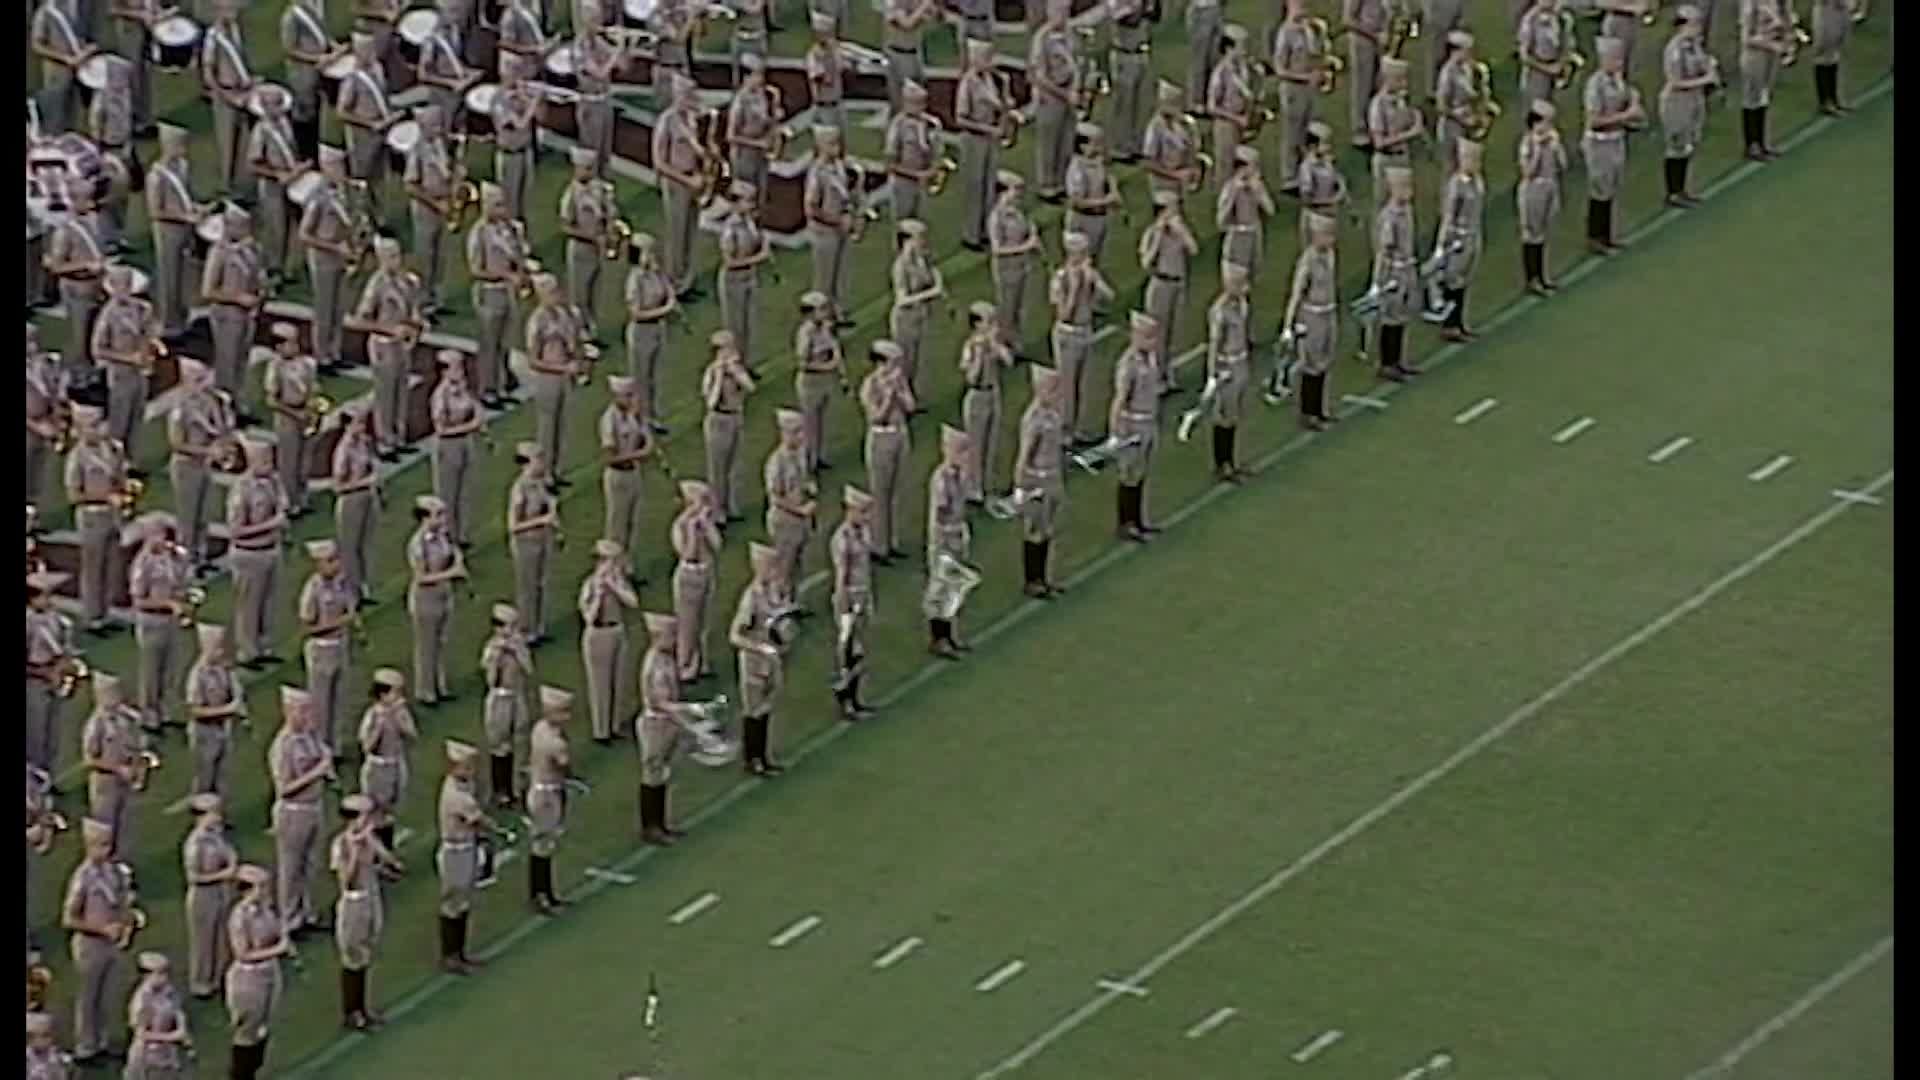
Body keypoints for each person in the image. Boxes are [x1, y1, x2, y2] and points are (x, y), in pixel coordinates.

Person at [63, 818, 131, 1066]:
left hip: (111, 942)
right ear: (89, 846)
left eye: (108, 845)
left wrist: (125, 923)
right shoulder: (82, 878)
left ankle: (102, 1040)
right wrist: (102, 929)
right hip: (90, 944)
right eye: (101, 845)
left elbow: (120, 899)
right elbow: (69, 918)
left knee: (107, 994)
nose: (106, 850)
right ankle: (85, 1046)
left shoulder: (112, 871)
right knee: (88, 997)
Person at [351, 237, 425, 461]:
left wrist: (416, 325)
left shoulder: (407, 281)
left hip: (403, 344)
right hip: (383, 345)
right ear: (381, 259)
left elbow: (413, 309)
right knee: (385, 394)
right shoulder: (376, 285)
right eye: (391, 256)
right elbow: (361, 320)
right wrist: (390, 330)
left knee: (401, 391)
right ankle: (384, 441)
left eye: (398, 255)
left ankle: (398, 437)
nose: (397, 260)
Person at [331, 793, 400, 1029]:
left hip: (371, 895)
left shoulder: (368, 837)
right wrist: (357, 854)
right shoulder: (341, 844)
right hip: (354, 901)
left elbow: (390, 861)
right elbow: (347, 882)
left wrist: (380, 853)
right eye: (365, 814)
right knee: (354, 957)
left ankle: (362, 1008)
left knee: (367, 951)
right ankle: (352, 1012)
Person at [269, 685, 332, 936]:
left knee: (311, 863)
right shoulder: (283, 747)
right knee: (291, 867)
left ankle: (306, 912)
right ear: (288, 712)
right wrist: (317, 772)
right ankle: (289, 918)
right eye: (302, 711)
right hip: (293, 811)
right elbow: (284, 787)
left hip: (314, 806)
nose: (308, 716)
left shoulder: (309, 736)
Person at [65, 404, 130, 634]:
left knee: (111, 566)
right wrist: (105, 497)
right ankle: (91, 617)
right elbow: (74, 495)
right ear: (81, 430)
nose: (98, 429)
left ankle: (105, 613)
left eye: (100, 423)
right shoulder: (77, 458)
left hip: (113, 515)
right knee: (93, 569)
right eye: (92, 426)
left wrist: (124, 492)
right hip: (92, 516)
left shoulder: (113, 449)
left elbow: (120, 476)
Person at [224, 863, 290, 1079]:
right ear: (246, 889)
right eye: (260, 887)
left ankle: (254, 1070)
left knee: (264, 1026)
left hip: (269, 972)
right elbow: (242, 953)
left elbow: (277, 933)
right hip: (248, 977)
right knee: (247, 1030)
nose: (265, 891)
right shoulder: (239, 916)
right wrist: (277, 949)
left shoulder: (267, 910)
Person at [227, 432, 287, 667]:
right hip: (249, 553)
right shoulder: (241, 491)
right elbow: (235, 530)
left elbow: (282, 504)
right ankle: (248, 650)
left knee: (269, 601)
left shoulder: (273, 482)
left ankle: (265, 645)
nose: (270, 465)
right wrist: (271, 524)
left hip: (271, 548)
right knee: (250, 603)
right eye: (265, 460)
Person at [1051, 232, 1116, 447]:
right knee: (1067, 385)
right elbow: (1063, 314)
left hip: (1085, 331)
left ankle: (1079, 428)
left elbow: (1110, 297)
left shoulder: (1089, 274)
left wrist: (1094, 280)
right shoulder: (1060, 278)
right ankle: (1064, 432)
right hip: (1067, 334)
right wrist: (1076, 287)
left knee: (1084, 383)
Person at [730, 542, 789, 777]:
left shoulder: (773, 592)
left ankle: (763, 757)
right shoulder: (750, 598)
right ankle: (751, 759)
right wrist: (758, 647)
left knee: (766, 708)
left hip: (769, 659)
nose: (774, 570)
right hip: (754, 660)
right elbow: (735, 635)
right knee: (753, 710)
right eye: (770, 566)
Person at [127, 512, 189, 732]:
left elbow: (181, 582)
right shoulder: (142, 564)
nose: (159, 539)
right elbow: (138, 601)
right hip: (151, 622)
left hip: (170, 620)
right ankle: (149, 715)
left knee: (170, 667)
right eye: (155, 535)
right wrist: (167, 604)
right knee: (151, 671)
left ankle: (167, 710)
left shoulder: (172, 559)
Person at [435, 740, 492, 974]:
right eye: (467, 767)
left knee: (463, 900)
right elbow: (477, 819)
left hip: (465, 847)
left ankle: (459, 952)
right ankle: (450, 955)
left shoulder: (460, 786)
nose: (471, 771)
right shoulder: (457, 796)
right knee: (454, 902)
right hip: (455, 851)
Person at [1280, 213, 1342, 427]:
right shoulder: (1308, 261)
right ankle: (1308, 412)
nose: (1331, 239)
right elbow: (1296, 294)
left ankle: (1320, 409)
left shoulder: (1330, 255)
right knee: (1312, 364)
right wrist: (1288, 326)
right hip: (1312, 316)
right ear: (1316, 236)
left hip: (1329, 311)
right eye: (1327, 234)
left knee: (1325, 360)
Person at [466, 186, 524, 408]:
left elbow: (516, 255)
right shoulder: (478, 233)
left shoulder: (507, 229)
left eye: (503, 204)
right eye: (497, 204)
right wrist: (505, 274)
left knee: (504, 342)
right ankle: (487, 390)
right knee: (489, 344)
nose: (502, 209)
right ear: (486, 206)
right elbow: (476, 270)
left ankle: (501, 385)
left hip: (507, 291)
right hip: (488, 292)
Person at [201, 206, 267, 403]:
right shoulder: (219, 253)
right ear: (228, 226)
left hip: (248, 314)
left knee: (242, 360)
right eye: (240, 225)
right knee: (227, 363)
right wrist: (237, 297)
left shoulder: (251, 249)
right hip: (227, 315)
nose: (246, 229)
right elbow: (208, 291)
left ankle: (238, 402)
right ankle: (224, 405)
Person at [1582, 37, 1640, 255]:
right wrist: (1626, 115)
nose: (1619, 63)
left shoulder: (1619, 82)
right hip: (1599, 143)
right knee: (1600, 189)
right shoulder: (1595, 85)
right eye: (1615, 59)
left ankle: (1607, 235)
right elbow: (1594, 121)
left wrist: (1634, 108)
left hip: (1617, 139)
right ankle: (1594, 236)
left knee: (1612, 187)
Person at [300, 146, 357, 374]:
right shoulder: (318, 197)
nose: (342, 170)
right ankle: (321, 355)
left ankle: (335, 351)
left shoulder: (342, 191)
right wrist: (334, 247)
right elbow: (305, 234)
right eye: (337, 166)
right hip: (324, 257)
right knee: (324, 308)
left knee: (338, 306)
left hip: (340, 255)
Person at [579, 538, 639, 744]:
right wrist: (599, 594)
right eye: (611, 561)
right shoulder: (589, 585)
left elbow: (633, 602)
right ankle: (601, 730)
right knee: (600, 683)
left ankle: (615, 724)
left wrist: (614, 587)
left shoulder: (618, 581)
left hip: (617, 630)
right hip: (598, 634)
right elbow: (589, 618)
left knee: (618, 680)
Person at [94, 265, 158, 461]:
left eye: (128, 285)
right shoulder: (108, 315)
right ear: (112, 287)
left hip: (140, 373)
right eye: (121, 285)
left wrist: (149, 351)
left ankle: (130, 462)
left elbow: (147, 334)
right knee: (119, 424)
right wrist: (129, 358)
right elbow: (98, 349)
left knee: (137, 419)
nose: (125, 289)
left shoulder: (141, 309)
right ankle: (113, 464)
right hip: (121, 375)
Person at [1110, 311, 1164, 542]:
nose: (1153, 341)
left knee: (1141, 473)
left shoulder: (1150, 358)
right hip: (1133, 424)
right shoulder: (1128, 364)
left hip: (1148, 421)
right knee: (1129, 475)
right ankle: (1126, 523)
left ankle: (1139, 520)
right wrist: (1116, 432)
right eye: (1149, 337)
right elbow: (1120, 400)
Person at [858, 343, 914, 563]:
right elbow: (876, 417)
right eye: (892, 362)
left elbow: (910, 406)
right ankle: (877, 545)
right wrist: (889, 396)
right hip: (881, 438)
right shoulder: (869, 385)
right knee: (880, 494)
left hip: (899, 434)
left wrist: (900, 392)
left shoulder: (899, 381)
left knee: (897, 492)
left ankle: (892, 541)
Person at [1015, 365, 1068, 598]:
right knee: (1034, 530)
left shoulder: (1053, 414)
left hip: (1052, 476)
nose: (1057, 393)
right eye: (1052, 389)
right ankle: (1032, 580)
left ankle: (1043, 578)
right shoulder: (1033, 419)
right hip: (1037, 480)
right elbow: (1025, 455)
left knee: (1047, 529)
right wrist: (1021, 487)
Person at [45, 187, 108, 383]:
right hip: (77, 289)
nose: (91, 204)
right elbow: (56, 266)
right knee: (79, 336)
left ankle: (89, 371)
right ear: (74, 201)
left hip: (95, 286)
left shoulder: (92, 222)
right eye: (86, 200)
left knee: (92, 332)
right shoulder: (65, 231)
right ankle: (77, 378)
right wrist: (85, 264)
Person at [407, 495, 465, 704]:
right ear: (424, 518)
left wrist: (457, 559)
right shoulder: (417, 544)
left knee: (441, 642)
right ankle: (425, 691)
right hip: (425, 599)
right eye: (438, 515)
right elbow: (421, 578)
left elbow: (451, 553)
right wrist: (452, 573)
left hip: (443, 594)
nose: (443, 519)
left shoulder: (442, 536)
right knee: (426, 645)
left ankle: (440, 685)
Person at [144, 125, 198, 340]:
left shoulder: (183, 166)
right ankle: (168, 322)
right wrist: (186, 217)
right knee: (169, 275)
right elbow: (156, 211)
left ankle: (181, 315)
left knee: (183, 273)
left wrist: (196, 208)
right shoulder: (156, 176)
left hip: (183, 226)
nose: (184, 148)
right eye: (180, 145)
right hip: (167, 230)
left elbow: (186, 195)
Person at [1139, 191, 1197, 395]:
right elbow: (1146, 263)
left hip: (1178, 284)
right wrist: (1158, 237)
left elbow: (1193, 249)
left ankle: (1168, 375)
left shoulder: (1180, 230)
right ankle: (1155, 379)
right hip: (1160, 285)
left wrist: (1181, 232)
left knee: (1174, 333)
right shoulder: (1151, 234)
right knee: (1158, 336)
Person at [526, 273, 582, 478]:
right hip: (548, 378)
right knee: (547, 428)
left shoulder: (564, 315)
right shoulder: (537, 321)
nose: (556, 294)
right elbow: (533, 360)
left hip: (566, 375)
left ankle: (557, 469)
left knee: (563, 424)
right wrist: (562, 369)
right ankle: (544, 471)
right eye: (550, 291)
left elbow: (573, 343)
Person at [1660, 6, 1717, 209]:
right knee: (1677, 145)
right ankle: (1673, 191)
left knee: (1689, 143)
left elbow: (1702, 66)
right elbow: (1675, 81)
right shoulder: (1674, 50)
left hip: (1694, 99)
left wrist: (1709, 69)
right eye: (1694, 23)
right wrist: (1705, 79)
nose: (1698, 28)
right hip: (1677, 102)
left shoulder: (1695, 46)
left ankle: (1683, 189)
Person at [180, 793, 236, 999]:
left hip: (220, 891)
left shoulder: (216, 835)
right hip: (203, 895)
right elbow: (194, 876)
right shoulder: (195, 843)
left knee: (219, 935)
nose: (219, 816)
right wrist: (224, 874)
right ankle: (201, 982)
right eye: (214, 813)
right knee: (204, 940)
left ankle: (216, 977)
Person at [654, 75, 705, 299]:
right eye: (687, 95)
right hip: (677, 182)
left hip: (695, 179)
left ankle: (687, 280)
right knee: (677, 233)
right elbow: (659, 162)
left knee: (691, 230)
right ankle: (674, 283)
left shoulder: (692, 119)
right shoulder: (667, 121)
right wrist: (686, 180)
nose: (691, 99)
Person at [924, 425, 974, 656]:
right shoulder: (942, 479)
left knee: (953, 589)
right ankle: (938, 638)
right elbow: (942, 512)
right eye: (961, 451)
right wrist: (949, 537)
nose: (965, 456)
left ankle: (950, 635)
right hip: (944, 538)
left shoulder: (958, 475)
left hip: (956, 534)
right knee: (941, 588)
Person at [405, 104, 459, 314]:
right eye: (434, 125)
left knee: (441, 255)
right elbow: (410, 185)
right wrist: (436, 204)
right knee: (425, 256)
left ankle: (437, 299)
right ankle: (421, 302)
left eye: (439, 123)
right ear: (423, 126)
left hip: (443, 205)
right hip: (426, 209)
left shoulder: (440, 143)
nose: (438, 128)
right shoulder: (417, 150)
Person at [81, 671, 141, 859]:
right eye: (113, 692)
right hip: (105, 783)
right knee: (105, 828)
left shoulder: (123, 717)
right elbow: (90, 760)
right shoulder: (95, 724)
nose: (118, 696)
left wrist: (136, 766)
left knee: (125, 823)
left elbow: (132, 744)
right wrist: (117, 769)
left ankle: (120, 863)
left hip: (125, 778)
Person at [828, 490, 876, 719]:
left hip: (863, 594)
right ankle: (845, 701)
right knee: (848, 653)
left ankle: (856, 699)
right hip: (849, 597)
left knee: (860, 651)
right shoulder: (842, 538)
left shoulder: (862, 532)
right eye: (862, 511)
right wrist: (843, 604)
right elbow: (841, 574)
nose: (866, 516)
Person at [261, 322, 318, 516]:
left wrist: (312, 409)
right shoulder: (275, 367)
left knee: (305, 461)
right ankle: (289, 502)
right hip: (287, 417)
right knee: (289, 463)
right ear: (278, 347)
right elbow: (271, 400)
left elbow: (312, 388)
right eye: (290, 343)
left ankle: (302, 497)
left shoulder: (306, 363)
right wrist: (295, 414)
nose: (295, 346)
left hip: (305, 413)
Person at [764, 408, 819, 610]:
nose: (801, 436)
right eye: (796, 431)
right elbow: (776, 497)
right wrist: (801, 510)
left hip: (800, 520)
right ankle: (779, 608)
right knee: (783, 568)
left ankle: (794, 602)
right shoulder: (776, 462)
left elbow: (804, 478)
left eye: (801, 431)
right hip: (784, 521)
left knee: (799, 564)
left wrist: (810, 488)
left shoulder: (800, 454)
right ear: (784, 433)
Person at [1370, 165, 1421, 381]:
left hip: (1406, 266)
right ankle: (1386, 362)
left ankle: (1399, 359)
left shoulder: (1406, 211)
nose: (1409, 190)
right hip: (1394, 271)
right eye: (1404, 186)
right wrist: (1378, 281)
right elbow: (1384, 251)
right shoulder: (1389, 217)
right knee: (1390, 315)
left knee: (1402, 314)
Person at [1433, 138, 1487, 342]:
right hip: (1459, 238)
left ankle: (1459, 322)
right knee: (1453, 280)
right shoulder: (1456, 185)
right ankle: (1449, 324)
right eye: (1472, 159)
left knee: (1464, 280)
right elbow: (1449, 216)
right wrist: (1443, 243)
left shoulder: (1477, 181)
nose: (1476, 163)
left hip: (1473, 234)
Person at [954, 40, 1006, 250]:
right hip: (974, 139)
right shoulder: (968, 84)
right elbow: (961, 118)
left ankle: (986, 230)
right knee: (975, 186)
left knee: (989, 185)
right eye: (985, 58)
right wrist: (988, 129)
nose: (989, 62)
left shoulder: (992, 80)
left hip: (990, 137)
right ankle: (971, 235)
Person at [525, 686, 575, 904]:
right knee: (544, 845)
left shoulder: (539, 729)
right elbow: (564, 765)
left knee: (543, 843)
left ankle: (542, 892)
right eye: (562, 712)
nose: (567, 717)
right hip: (547, 794)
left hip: (538, 788)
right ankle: (541, 894)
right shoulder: (555, 742)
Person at [669, 480, 722, 684]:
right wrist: (692, 529)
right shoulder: (679, 526)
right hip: (688, 576)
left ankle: (701, 663)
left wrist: (707, 526)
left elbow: (717, 545)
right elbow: (688, 554)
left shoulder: (704, 522)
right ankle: (685, 667)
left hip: (706, 572)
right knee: (687, 623)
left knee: (705, 620)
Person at [1203, 267, 1253, 482]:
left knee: (1235, 414)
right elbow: (1215, 343)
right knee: (1224, 414)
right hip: (1227, 366)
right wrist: (1213, 373)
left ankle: (1231, 461)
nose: (1245, 287)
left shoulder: (1241, 304)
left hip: (1240, 361)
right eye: (1240, 283)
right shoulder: (1220, 311)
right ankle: (1221, 463)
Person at [481, 605, 534, 807]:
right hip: (500, 698)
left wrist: (518, 652)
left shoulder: (519, 644)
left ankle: (517, 787)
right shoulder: (491, 649)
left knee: (520, 740)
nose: (513, 631)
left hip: (516, 696)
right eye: (509, 627)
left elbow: (529, 669)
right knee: (499, 744)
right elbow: (491, 680)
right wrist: (497, 657)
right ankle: (500, 790)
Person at [623, 235, 677, 432]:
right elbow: (636, 312)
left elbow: (668, 292)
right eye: (649, 251)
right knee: (641, 379)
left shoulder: (655, 274)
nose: (653, 255)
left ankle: (651, 415)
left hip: (657, 329)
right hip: (642, 332)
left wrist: (662, 276)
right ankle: (638, 420)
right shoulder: (634, 280)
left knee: (654, 377)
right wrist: (665, 310)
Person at [359, 668, 417, 851]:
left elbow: (413, 736)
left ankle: (387, 851)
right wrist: (380, 727)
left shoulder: (401, 712)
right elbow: (367, 747)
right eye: (395, 692)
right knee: (376, 811)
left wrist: (401, 720)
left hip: (396, 762)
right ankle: (376, 853)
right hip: (378, 767)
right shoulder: (372, 715)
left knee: (392, 809)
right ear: (382, 694)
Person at [338, 32, 395, 216]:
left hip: (382, 129)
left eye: (371, 49)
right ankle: (361, 217)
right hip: (363, 135)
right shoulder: (352, 79)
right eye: (366, 50)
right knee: (363, 177)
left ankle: (379, 214)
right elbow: (342, 111)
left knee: (380, 174)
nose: (371, 53)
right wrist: (368, 123)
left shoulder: (378, 68)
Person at [600, 376, 653, 575]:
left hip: (634, 473)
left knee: (633, 521)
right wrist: (637, 455)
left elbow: (647, 442)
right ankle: (612, 568)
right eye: (627, 396)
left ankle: (626, 565)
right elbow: (609, 457)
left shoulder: (634, 416)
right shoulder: (609, 419)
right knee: (617, 525)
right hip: (618, 476)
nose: (632, 399)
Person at [429, 351, 483, 546]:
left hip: (464, 442)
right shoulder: (440, 395)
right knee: (448, 494)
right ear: (444, 371)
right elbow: (441, 429)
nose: (461, 371)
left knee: (465, 491)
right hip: (448, 445)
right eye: (456, 367)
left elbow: (475, 408)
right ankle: (445, 536)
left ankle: (461, 534)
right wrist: (471, 426)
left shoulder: (463, 389)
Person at [507, 443, 559, 645]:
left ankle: (539, 627)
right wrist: (543, 520)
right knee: (527, 587)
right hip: (526, 542)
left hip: (543, 538)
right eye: (538, 458)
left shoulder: (541, 483)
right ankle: (525, 629)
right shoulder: (520, 488)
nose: (543, 462)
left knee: (542, 583)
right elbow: (514, 525)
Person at [702, 332, 756, 522]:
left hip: (735, 418)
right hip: (718, 421)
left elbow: (750, 387)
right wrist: (719, 375)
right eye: (727, 348)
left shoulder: (737, 370)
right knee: (717, 469)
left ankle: (731, 505)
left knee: (734, 466)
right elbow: (711, 402)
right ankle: (717, 511)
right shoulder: (710, 372)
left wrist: (735, 372)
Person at [804, 126, 857, 323]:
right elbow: (811, 208)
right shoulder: (817, 173)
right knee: (824, 278)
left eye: (837, 142)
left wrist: (850, 215)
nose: (836, 147)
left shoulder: (839, 166)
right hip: (824, 231)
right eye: (831, 143)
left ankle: (839, 312)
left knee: (841, 273)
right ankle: (821, 318)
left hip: (840, 227)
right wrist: (836, 220)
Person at [202, 0, 254, 196]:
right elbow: (208, 74)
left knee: (243, 140)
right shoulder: (213, 37)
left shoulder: (236, 29)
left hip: (241, 90)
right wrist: (223, 95)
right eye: (229, 8)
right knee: (227, 141)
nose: (234, 12)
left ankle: (243, 185)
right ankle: (227, 185)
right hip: (225, 93)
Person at [792, 294, 848, 475]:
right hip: (811, 384)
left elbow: (835, 351)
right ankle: (807, 462)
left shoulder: (825, 328)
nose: (824, 312)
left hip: (825, 381)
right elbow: (802, 364)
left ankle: (818, 457)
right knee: (810, 425)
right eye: (820, 309)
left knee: (822, 422)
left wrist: (842, 375)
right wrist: (827, 367)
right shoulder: (805, 334)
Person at [184, 625, 242, 799]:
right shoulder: (197, 675)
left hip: (222, 728)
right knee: (205, 776)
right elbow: (194, 711)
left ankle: (219, 815)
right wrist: (226, 709)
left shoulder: (223, 669)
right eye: (217, 648)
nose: (221, 651)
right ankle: (202, 815)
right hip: (204, 732)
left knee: (223, 775)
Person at [1028, 0, 1078, 203]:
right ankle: (1047, 186)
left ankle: (1063, 182)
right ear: (1050, 12)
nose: (1063, 15)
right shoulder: (1042, 39)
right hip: (1050, 96)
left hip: (1068, 92)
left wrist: (1075, 87)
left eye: (1066, 11)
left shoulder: (1069, 35)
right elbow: (1038, 76)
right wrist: (1063, 94)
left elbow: (1075, 63)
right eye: (1059, 11)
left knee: (1066, 139)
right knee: (1049, 142)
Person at [331, 403, 381, 604]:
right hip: (351, 499)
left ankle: (364, 586)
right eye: (358, 424)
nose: (362, 427)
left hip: (368, 496)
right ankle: (352, 591)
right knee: (350, 548)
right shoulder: (343, 451)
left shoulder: (364, 443)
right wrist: (365, 481)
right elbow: (338, 486)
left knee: (365, 544)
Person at [1518, 100, 1569, 295]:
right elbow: (1527, 172)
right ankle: (1531, 278)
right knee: (1532, 234)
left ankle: (1542, 275)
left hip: (1550, 185)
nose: (1549, 126)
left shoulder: (1553, 139)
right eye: (1545, 122)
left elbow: (1563, 166)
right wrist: (1538, 150)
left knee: (1544, 234)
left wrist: (1557, 148)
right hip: (1533, 188)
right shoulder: (1527, 143)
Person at [716, 185, 769, 370]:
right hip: (734, 281)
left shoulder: (750, 222)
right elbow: (729, 261)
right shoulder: (730, 229)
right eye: (748, 201)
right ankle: (732, 366)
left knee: (749, 324)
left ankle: (746, 364)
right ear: (736, 203)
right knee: (735, 327)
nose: (752, 204)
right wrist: (758, 257)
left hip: (749, 276)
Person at [989, 171, 1041, 359]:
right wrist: (1025, 246)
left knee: (1019, 307)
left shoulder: (1018, 211)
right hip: (1006, 268)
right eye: (1015, 189)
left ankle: (1015, 340)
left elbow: (1027, 231)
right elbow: (997, 249)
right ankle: (1001, 345)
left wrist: (1032, 237)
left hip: (1021, 265)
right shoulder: (997, 217)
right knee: (1006, 308)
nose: (1019, 193)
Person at [890, 220, 942, 401]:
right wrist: (931, 293)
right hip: (905, 319)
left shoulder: (921, 260)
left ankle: (910, 399)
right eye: (919, 237)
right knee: (905, 364)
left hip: (920, 316)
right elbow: (902, 299)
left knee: (917, 363)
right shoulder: (900, 267)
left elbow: (930, 277)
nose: (923, 241)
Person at [1367, 56, 1424, 215]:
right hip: (1386, 160)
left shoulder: (1401, 101)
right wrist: (1410, 134)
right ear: (1387, 79)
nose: (1404, 84)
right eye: (1399, 79)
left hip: (1402, 157)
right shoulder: (1378, 105)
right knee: (1384, 208)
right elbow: (1378, 143)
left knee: (1402, 204)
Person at [280, 0, 336, 159]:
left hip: (318, 69)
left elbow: (322, 35)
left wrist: (333, 46)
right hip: (302, 75)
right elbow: (290, 50)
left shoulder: (314, 8)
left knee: (318, 113)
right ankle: (305, 155)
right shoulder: (290, 17)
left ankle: (316, 153)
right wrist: (317, 58)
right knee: (305, 117)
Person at [559, 147, 611, 317]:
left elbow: (607, 212)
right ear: (577, 168)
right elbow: (566, 226)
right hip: (581, 249)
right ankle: (580, 332)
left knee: (595, 291)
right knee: (579, 294)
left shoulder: (598, 189)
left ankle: (591, 329)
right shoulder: (571, 195)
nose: (590, 172)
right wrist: (593, 237)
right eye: (587, 168)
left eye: (592, 168)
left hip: (597, 247)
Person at [31, 0, 92, 137]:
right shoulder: (47, 10)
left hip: (84, 71)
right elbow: (37, 45)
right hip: (56, 73)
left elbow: (95, 38)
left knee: (78, 122)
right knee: (54, 122)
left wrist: (86, 53)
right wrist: (65, 58)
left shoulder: (84, 7)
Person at [124, 950, 189, 1076]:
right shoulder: (142, 1000)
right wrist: (173, 1036)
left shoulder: (169, 990)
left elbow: (178, 1010)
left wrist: (182, 1028)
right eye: (159, 973)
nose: (164, 978)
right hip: (147, 1055)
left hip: (167, 1052)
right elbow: (141, 1034)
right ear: (146, 975)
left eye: (165, 972)